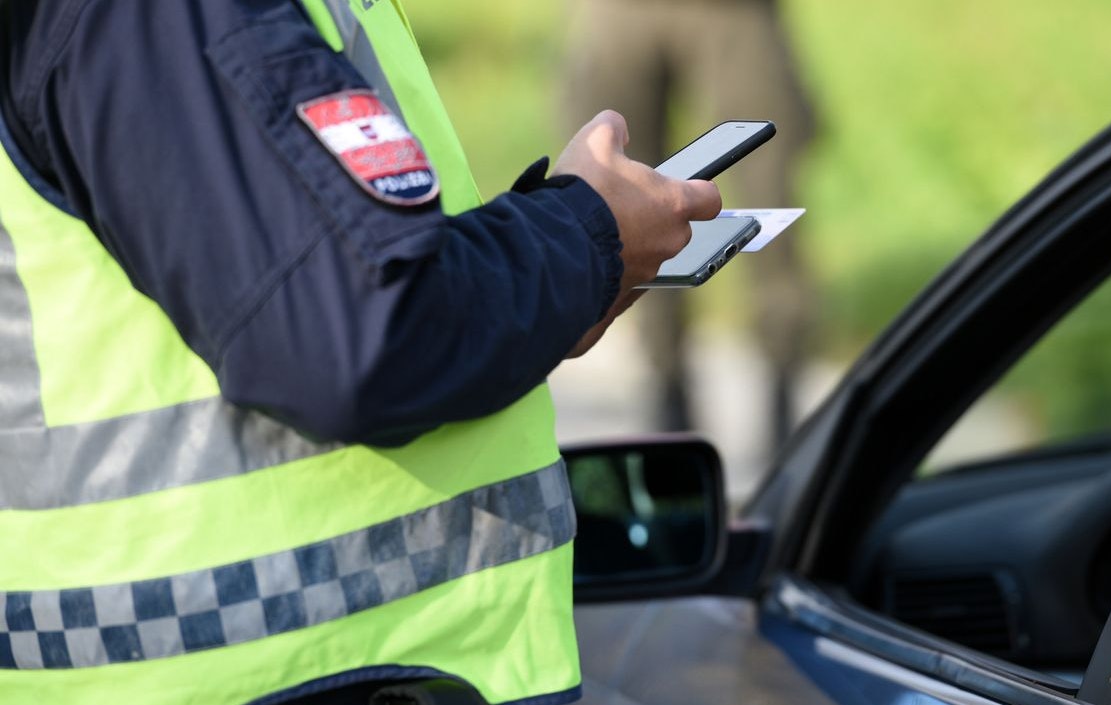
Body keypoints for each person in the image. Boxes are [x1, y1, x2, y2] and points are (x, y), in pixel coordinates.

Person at [0, 2, 719, 704]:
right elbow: (360, 334)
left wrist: (565, 282)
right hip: (297, 675)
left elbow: (327, 284)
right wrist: (582, 234)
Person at [564, 0, 817, 447]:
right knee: (624, 200)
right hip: (620, 14)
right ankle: (667, 396)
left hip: (736, 13)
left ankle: (784, 395)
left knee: (770, 194)